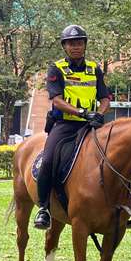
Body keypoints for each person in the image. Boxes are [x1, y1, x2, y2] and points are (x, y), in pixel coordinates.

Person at [33, 24, 111, 230]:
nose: (75, 47)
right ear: (64, 47)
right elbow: (57, 100)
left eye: (79, 43)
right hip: (65, 125)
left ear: (84, 45)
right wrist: (81, 113)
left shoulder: (95, 69)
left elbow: (105, 98)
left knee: (117, 157)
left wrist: (99, 114)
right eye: (71, 44)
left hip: (91, 125)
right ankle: (44, 208)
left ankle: (119, 207)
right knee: (48, 160)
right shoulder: (57, 69)